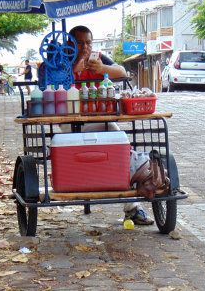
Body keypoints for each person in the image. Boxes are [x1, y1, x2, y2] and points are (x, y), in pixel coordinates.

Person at [65, 25, 154, 225]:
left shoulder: (98, 58)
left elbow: (122, 71)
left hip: (99, 118)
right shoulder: (61, 61)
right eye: (79, 43)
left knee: (121, 145)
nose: (85, 47)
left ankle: (131, 208)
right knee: (117, 140)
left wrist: (103, 69)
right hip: (69, 122)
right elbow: (46, 79)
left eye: (88, 42)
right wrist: (72, 70)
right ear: (70, 44)